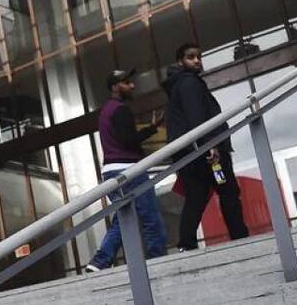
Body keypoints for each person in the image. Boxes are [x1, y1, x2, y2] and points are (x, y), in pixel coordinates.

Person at [163, 43, 249, 251]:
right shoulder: (189, 83)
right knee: (227, 190)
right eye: (191, 57)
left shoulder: (179, 86)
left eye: (199, 56)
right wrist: (210, 145)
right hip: (208, 154)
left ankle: (187, 243)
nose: (197, 60)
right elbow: (197, 116)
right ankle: (240, 237)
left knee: (197, 194)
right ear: (180, 62)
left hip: (193, 154)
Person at [86, 68, 168, 272]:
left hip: (111, 171)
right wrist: (150, 130)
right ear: (115, 87)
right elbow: (128, 141)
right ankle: (158, 261)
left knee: (124, 218)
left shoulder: (106, 110)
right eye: (126, 83)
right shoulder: (120, 109)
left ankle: (98, 262)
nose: (132, 85)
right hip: (128, 170)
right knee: (150, 216)